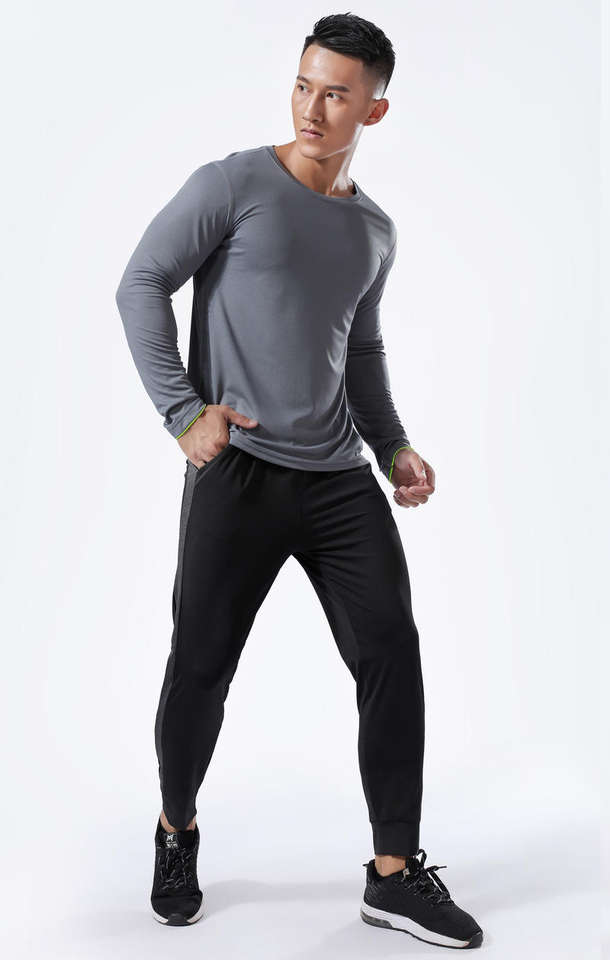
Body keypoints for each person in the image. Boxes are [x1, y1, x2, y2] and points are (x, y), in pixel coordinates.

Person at [115, 12, 483, 949]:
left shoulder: (374, 230)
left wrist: (393, 447)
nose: (314, 109)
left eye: (337, 95)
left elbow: (360, 351)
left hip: (337, 480)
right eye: (304, 86)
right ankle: (176, 829)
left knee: (391, 653)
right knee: (200, 670)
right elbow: (142, 281)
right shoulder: (233, 183)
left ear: (375, 109)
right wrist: (182, 412)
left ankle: (393, 876)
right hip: (239, 471)